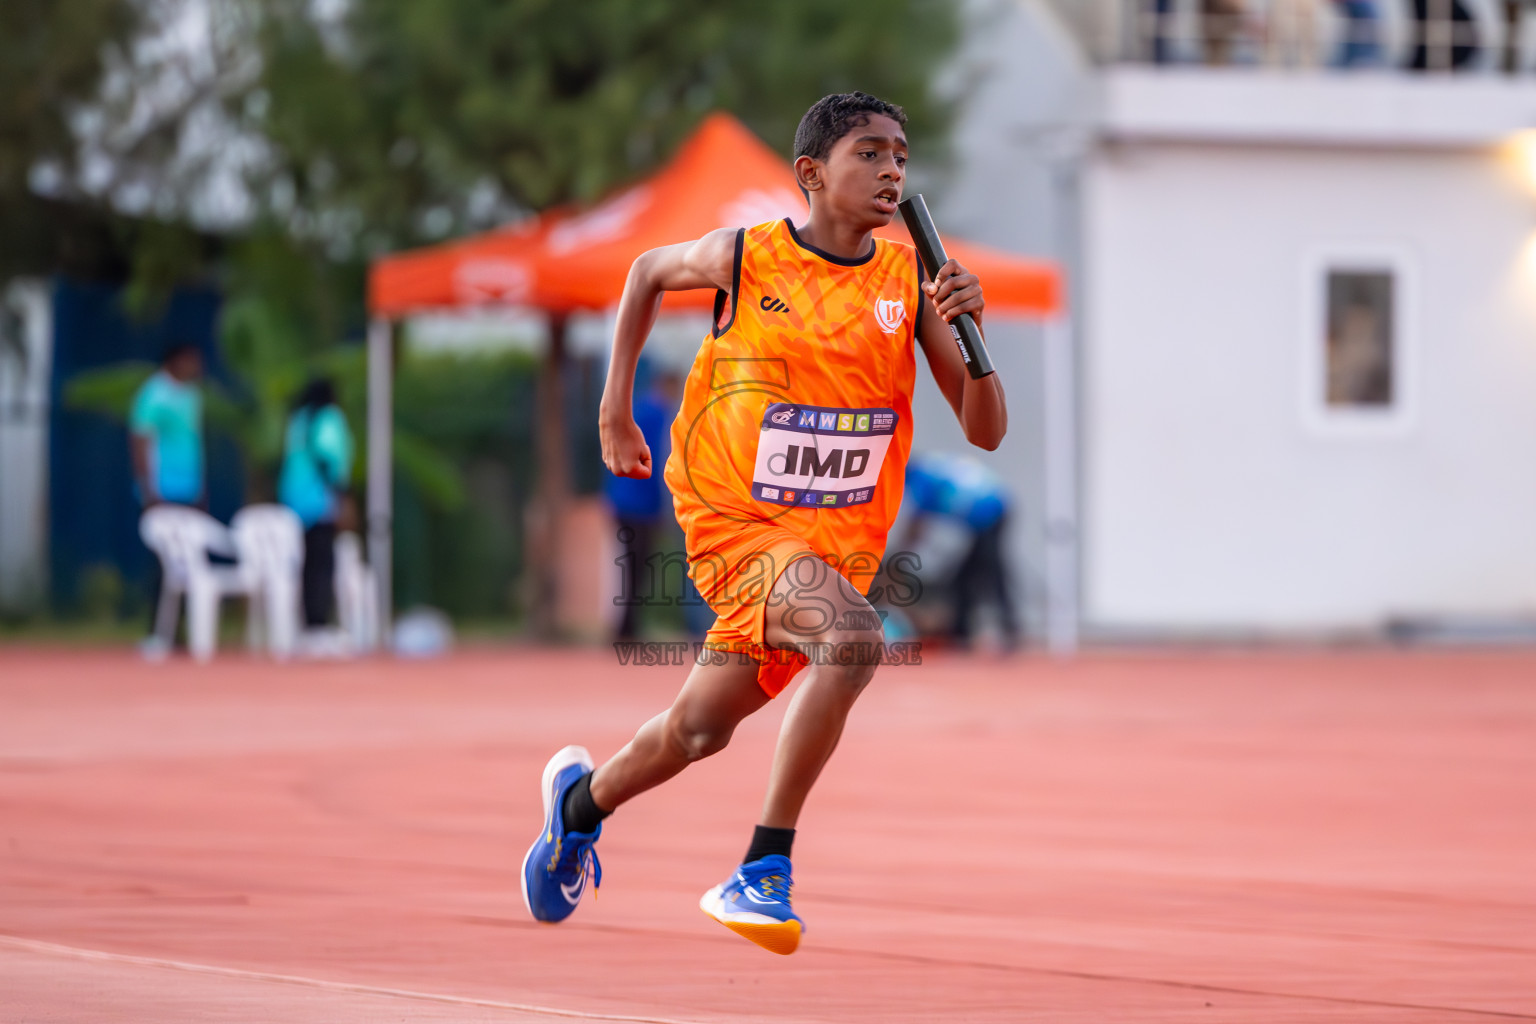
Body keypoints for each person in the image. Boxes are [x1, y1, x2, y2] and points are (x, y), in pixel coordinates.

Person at [520, 92, 1007, 955]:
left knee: (695, 731)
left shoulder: (911, 284)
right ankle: (763, 869)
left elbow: (986, 430)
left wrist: (974, 336)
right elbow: (643, 275)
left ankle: (578, 806)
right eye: (871, 152)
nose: (893, 169)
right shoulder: (746, 258)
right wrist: (614, 412)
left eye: (901, 154)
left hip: (831, 550)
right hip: (732, 522)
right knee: (855, 639)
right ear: (812, 174)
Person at [903, 453, 1021, 652]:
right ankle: (963, 631)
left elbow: (917, 524)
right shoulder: (931, 468)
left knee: (989, 573)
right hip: (991, 508)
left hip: (989, 512)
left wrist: (900, 554)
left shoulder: (919, 478)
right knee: (970, 574)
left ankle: (1001, 628)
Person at [130, 341, 205, 652]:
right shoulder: (153, 394)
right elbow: (140, 441)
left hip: (189, 489)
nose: (196, 368)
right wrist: (149, 489)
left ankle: (185, 630)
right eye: (191, 361)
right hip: (162, 491)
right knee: (164, 564)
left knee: (191, 564)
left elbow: (194, 444)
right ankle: (158, 630)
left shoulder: (191, 396)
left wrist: (201, 487)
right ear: (175, 360)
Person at [605, 362, 676, 640]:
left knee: (630, 566)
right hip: (642, 506)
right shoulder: (661, 416)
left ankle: (626, 626)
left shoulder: (636, 410)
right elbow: (662, 463)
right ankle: (626, 628)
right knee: (638, 567)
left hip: (622, 501)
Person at [277, 378, 354, 629]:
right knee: (322, 563)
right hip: (320, 501)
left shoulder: (297, 420)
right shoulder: (329, 417)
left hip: (293, 501)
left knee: (304, 564)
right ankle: (318, 623)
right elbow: (328, 459)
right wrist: (341, 497)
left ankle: (305, 622)